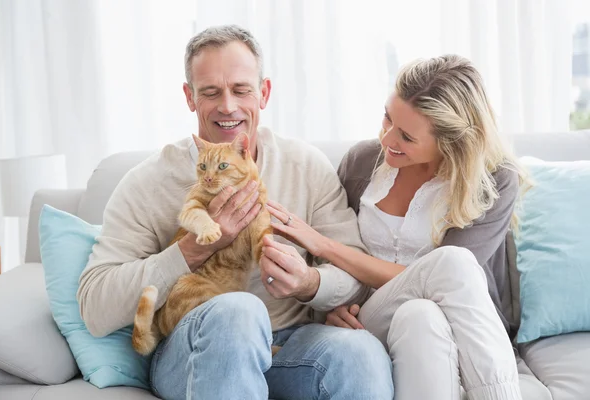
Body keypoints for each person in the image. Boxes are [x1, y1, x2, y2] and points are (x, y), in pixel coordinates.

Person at [76, 25, 394, 400]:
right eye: (210, 92)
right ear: (189, 97)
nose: (228, 106)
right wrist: (190, 251)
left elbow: (357, 273)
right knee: (238, 312)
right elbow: (95, 306)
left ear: (264, 93)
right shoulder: (148, 182)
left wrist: (310, 283)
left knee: (361, 352)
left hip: (291, 346)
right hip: (194, 347)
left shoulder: (306, 166)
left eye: (241, 90)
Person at [266, 54, 525, 400]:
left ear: (450, 142)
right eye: (388, 118)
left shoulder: (493, 179)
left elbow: (453, 288)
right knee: (451, 264)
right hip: (368, 317)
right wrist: (332, 307)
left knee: (424, 311)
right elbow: (328, 269)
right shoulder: (362, 163)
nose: (387, 139)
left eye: (406, 136)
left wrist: (323, 245)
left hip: (448, 326)